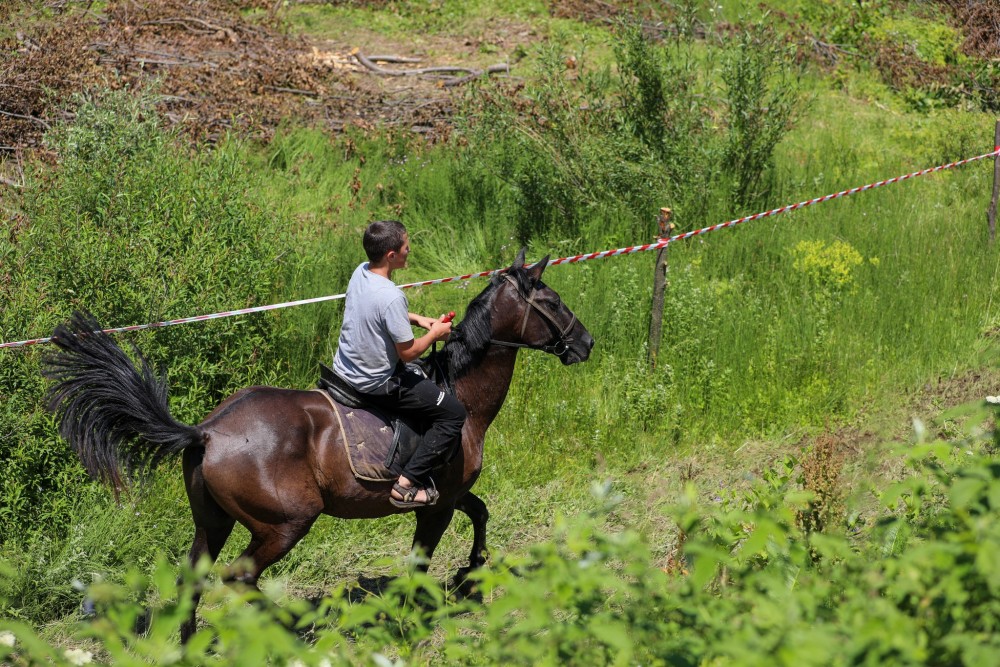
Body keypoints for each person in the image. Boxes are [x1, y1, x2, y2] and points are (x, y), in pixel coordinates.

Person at [332, 220, 467, 508]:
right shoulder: (392, 296)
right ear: (391, 255)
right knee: (453, 413)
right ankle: (406, 485)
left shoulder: (361, 272)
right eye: (406, 246)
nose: (410, 250)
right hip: (376, 382)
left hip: (344, 370)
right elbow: (408, 353)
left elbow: (378, 312)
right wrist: (435, 333)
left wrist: (418, 319)